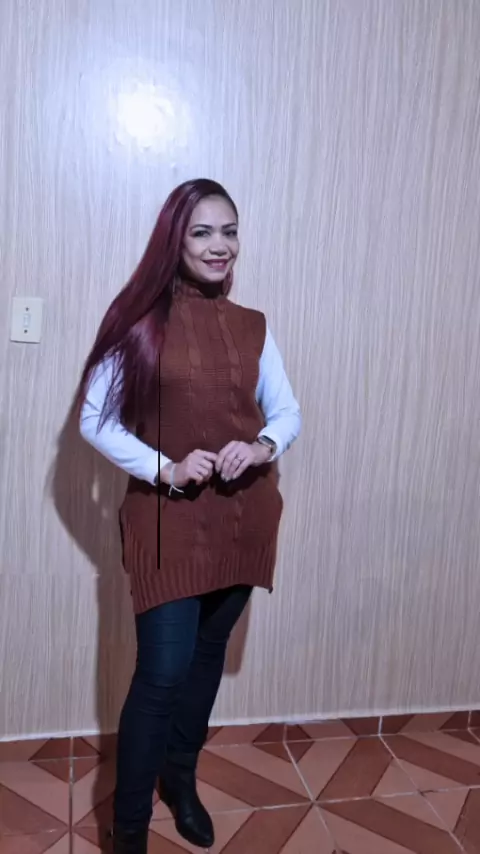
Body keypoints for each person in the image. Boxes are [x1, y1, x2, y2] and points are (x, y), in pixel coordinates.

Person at [77, 178, 301, 854]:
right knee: (162, 674)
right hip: (168, 524)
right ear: (174, 240)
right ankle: (129, 829)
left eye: (229, 231)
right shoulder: (139, 319)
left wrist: (261, 447)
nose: (219, 245)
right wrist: (165, 469)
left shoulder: (252, 325)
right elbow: (94, 420)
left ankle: (180, 781)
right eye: (202, 232)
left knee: (205, 663)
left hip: (242, 519)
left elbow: (286, 411)